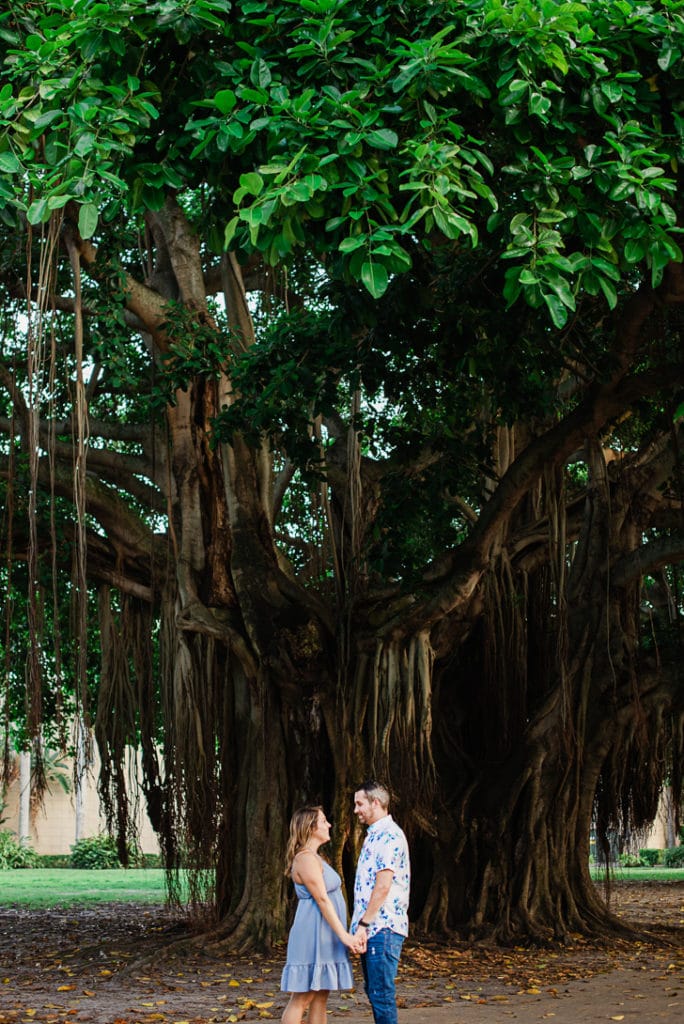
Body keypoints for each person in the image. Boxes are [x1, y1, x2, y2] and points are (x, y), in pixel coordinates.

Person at [280, 805, 363, 1024]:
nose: (329, 825)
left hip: (326, 934)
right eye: (324, 821)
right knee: (303, 997)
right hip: (313, 935)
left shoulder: (316, 857)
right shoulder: (305, 859)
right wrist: (345, 936)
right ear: (310, 827)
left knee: (321, 997)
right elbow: (322, 900)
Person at [351, 780, 410, 1024]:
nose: (356, 810)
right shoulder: (374, 835)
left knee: (381, 994)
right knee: (375, 992)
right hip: (373, 928)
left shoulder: (389, 836)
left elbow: (383, 885)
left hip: (382, 928)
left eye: (359, 804)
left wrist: (364, 925)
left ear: (376, 803)